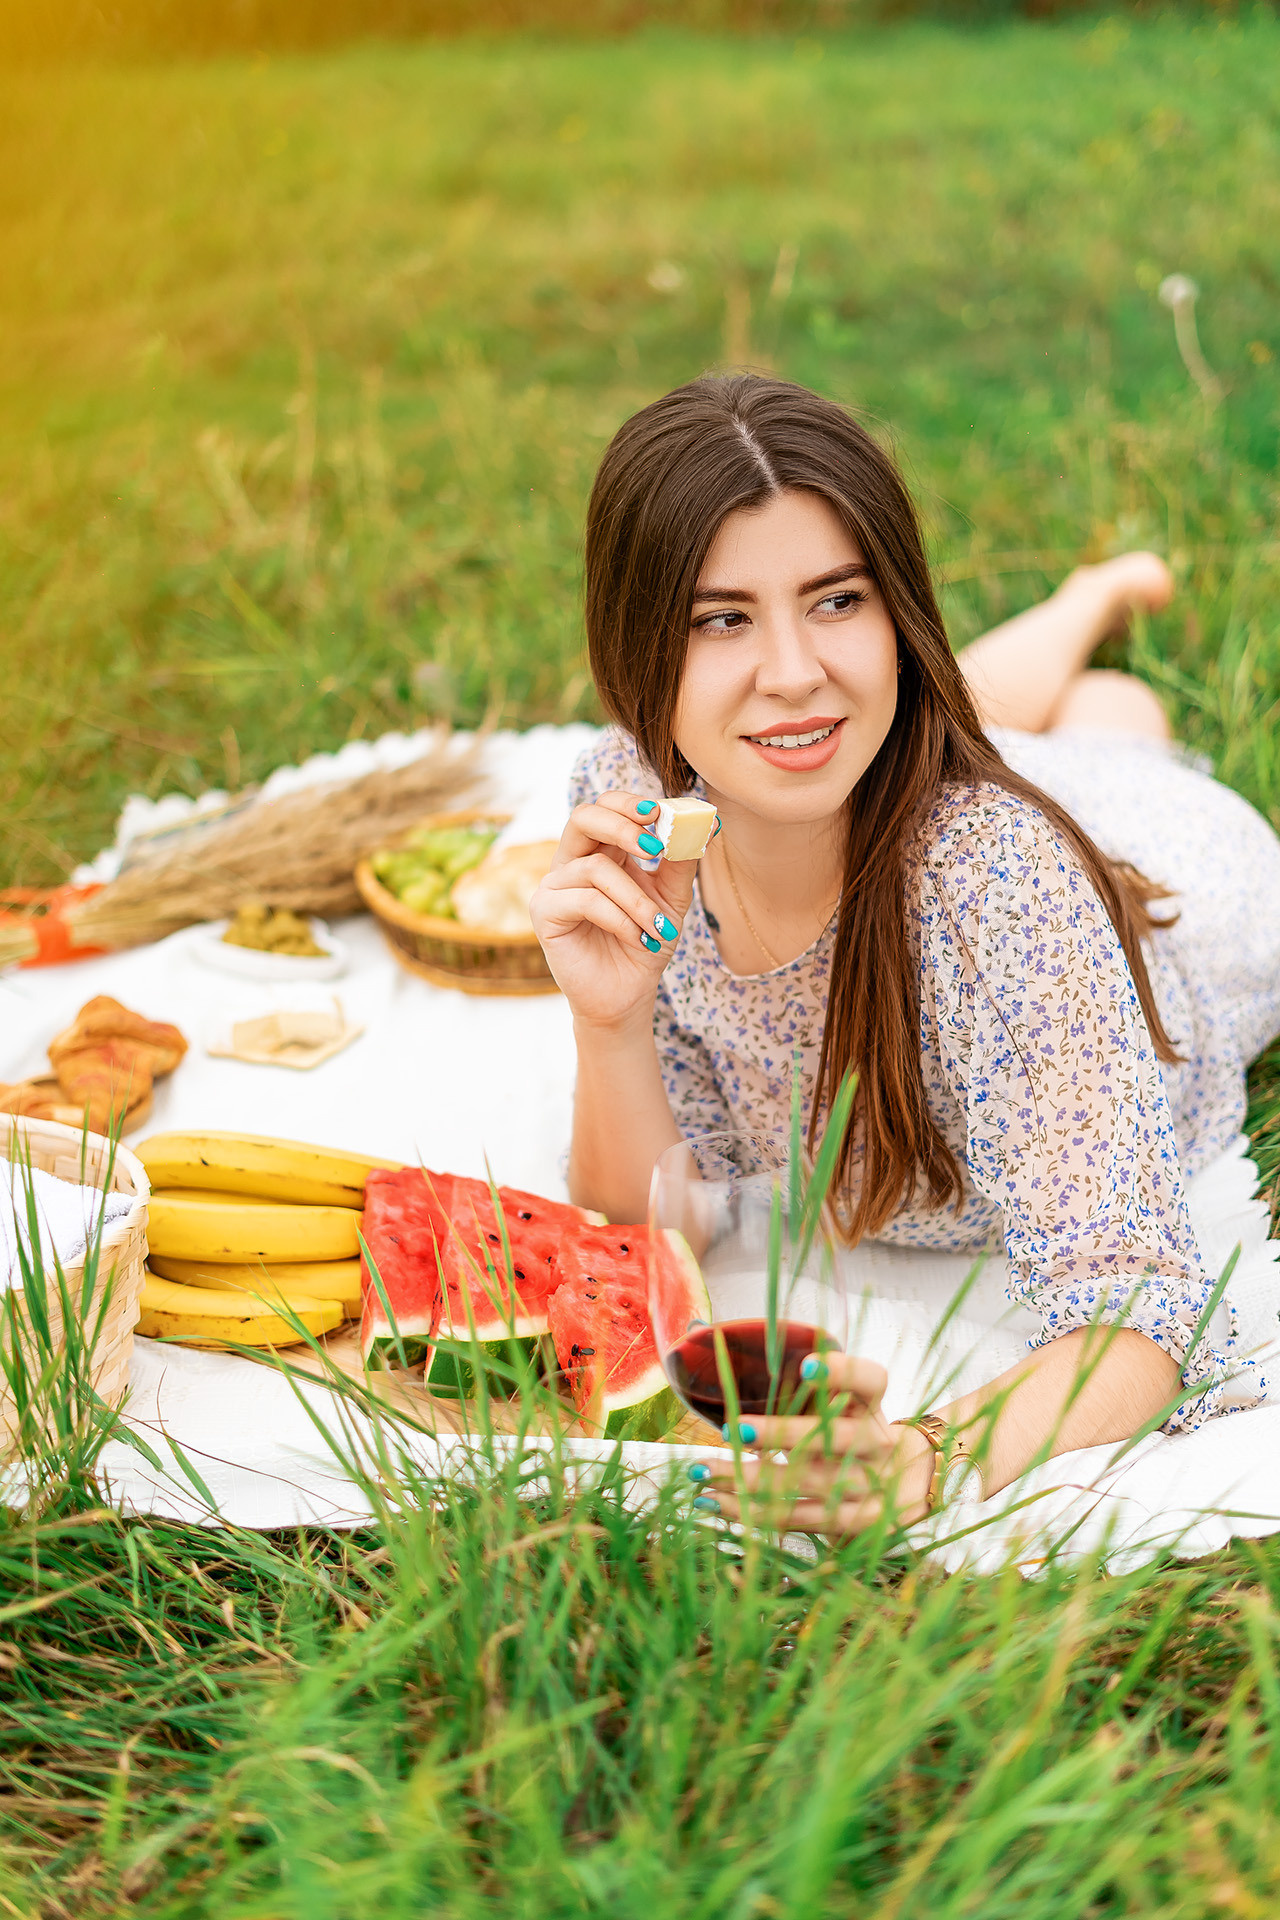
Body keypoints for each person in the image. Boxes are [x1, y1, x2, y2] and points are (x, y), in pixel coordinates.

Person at [529, 373, 1280, 1536]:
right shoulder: (632, 805)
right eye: (720, 616)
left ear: (896, 609)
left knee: (1104, 755)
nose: (786, 663)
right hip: (940, 785)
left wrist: (928, 1455)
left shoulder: (1002, 895)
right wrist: (606, 1021)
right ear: (638, 650)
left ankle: (1096, 643)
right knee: (918, 722)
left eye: (838, 599)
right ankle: (1089, 640)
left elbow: (1145, 1312)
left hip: (1189, 891)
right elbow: (641, 1212)